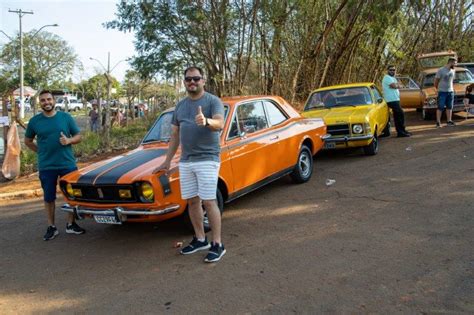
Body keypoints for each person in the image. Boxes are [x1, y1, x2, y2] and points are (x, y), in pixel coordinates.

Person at [153, 66, 226, 263]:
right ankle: (201, 239)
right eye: (188, 79)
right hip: (187, 161)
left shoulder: (212, 101)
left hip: (207, 159)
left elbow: (220, 123)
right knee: (192, 201)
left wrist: (207, 121)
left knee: (209, 201)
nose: (192, 82)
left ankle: (217, 243)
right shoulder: (181, 106)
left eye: (196, 78)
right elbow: (175, 135)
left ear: (203, 80)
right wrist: (167, 162)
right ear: (184, 82)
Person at [24, 90, 85, 241]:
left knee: (71, 195)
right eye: (43, 100)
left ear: (54, 100)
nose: (47, 102)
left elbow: (78, 136)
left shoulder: (65, 117)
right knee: (49, 197)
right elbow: (28, 141)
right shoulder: (35, 121)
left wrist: (69, 141)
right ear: (40, 103)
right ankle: (51, 227)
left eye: (49, 99)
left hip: (67, 164)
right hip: (47, 166)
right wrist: (41, 151)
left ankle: (71, 224)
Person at [382, 65, 411, 137]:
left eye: (394, 70)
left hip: (395, 99)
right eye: (391, 70)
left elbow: (400, 85)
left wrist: (397, 84)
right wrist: (397, 85)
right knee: (400, 114)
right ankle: (401, 132)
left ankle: (402, 131)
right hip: (391, 100)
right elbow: (394, 86)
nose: (392, 71)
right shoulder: (387, 77)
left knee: (398, 115)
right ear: (387, 71)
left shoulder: (393, 78)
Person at [434, 57, 457, 128]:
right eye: (454, 63)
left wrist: (453, 89)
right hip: (442, 91)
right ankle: (438, 122)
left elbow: (452, 81)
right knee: (440, 106)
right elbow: (436, 81)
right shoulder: (441, 70)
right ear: (450, 62)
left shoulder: (453, 71)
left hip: (450, 91)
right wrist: (437, 88)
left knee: (449, 106)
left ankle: (449, 121)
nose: (455, 64)